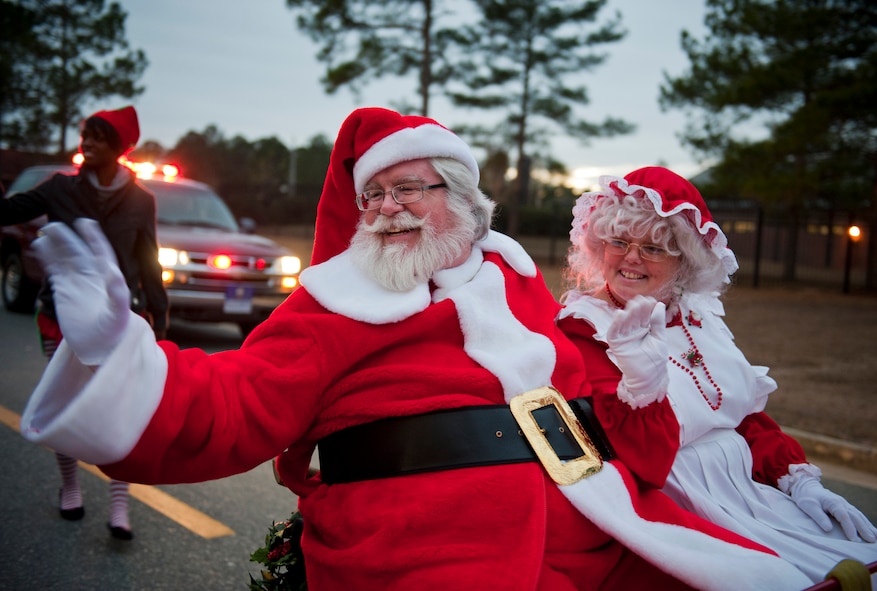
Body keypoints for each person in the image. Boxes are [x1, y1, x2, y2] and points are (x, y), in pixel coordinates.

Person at [18, 108, 814, 590]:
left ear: (462, 201)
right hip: (421, 546)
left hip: (588, 527)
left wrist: (638, 384)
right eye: (374, 194)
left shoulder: (515, 281)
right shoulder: (334, 301)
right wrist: (114, 349)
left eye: (411, 189)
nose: (389, 208)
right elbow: (231, 403)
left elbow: (609, 430)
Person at [557, 165, 877, 587]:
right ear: (599, 247)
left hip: (750, 493)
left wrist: (798, 479)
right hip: (673, 505)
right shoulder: (584, 327)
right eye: (618, 242)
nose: (632, 257)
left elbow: (741, 418)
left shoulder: (699, 318)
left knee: (865, 561)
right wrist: (642, 382)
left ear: (685, 262)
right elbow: (632, 462)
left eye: (653, 248)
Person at [0, 105, 169, 540]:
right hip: (60, 315)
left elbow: (149, 263)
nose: (86, 144)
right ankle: (71, 487)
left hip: (117, 322)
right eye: (85, 136)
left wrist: (159, 320)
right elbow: (11, 210)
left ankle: (118, 506)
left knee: (118, 407)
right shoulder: (60, 188)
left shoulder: (141, 200)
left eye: (97, 137)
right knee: (66, 402)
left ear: (119, 147)